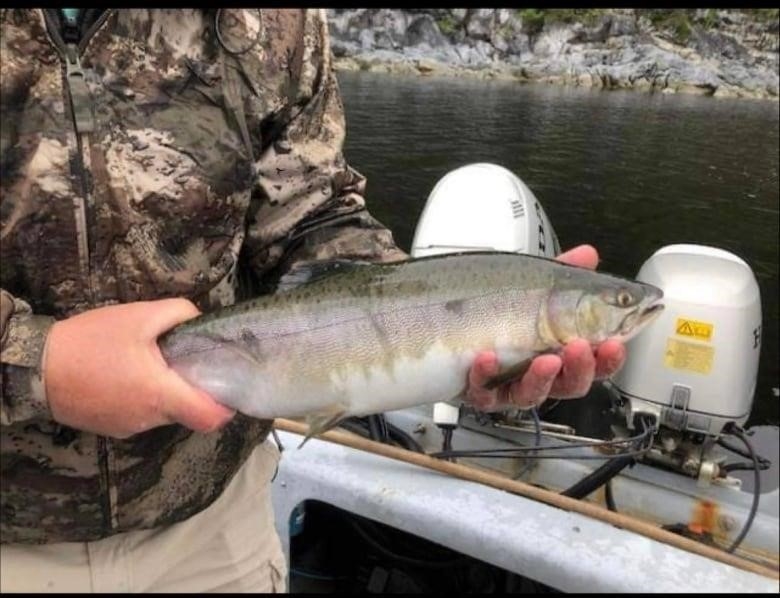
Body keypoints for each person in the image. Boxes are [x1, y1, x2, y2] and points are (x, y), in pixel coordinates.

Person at [0, 8, 626, 593]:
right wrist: (36, 362)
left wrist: (434, 325)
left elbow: (308, 214)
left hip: (214, 526)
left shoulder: (273, 19)